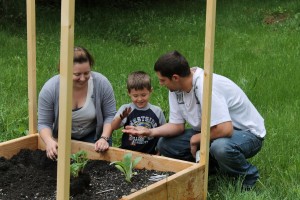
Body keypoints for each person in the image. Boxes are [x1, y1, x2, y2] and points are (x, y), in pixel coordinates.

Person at [122, 50, 266, 189]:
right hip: (212, 132)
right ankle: (213, 169)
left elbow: (225, 129)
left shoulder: (206, 85)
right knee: (165, 144)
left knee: (221, 148)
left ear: (175, 77)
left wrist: (196, 139)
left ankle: (248, 178)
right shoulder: (175, 89)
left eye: (162, 80)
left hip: (246, 134)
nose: (161, 84)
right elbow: (177, 125)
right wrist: (149, 131)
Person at [38, 46, 117, 160]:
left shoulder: (101, 83)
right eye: (77, 74)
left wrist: (104, 138)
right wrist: (49, 141)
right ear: (64, 71)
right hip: (62, 138)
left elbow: (110, 115)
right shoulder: (50, 89)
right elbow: (44, 123)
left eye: (87, 73)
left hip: (94, 138)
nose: (83, 78)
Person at [111, 71, 166, 154]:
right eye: (135, 96)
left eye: (143, 95)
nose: (140, 99)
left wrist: (159, 152)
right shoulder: (126, 109)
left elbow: (163, 132)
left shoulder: (157, 111)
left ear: (150, 91)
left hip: (150, 154)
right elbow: (114, 127)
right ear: (129, 93)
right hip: (128, 153)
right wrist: (121, 117)